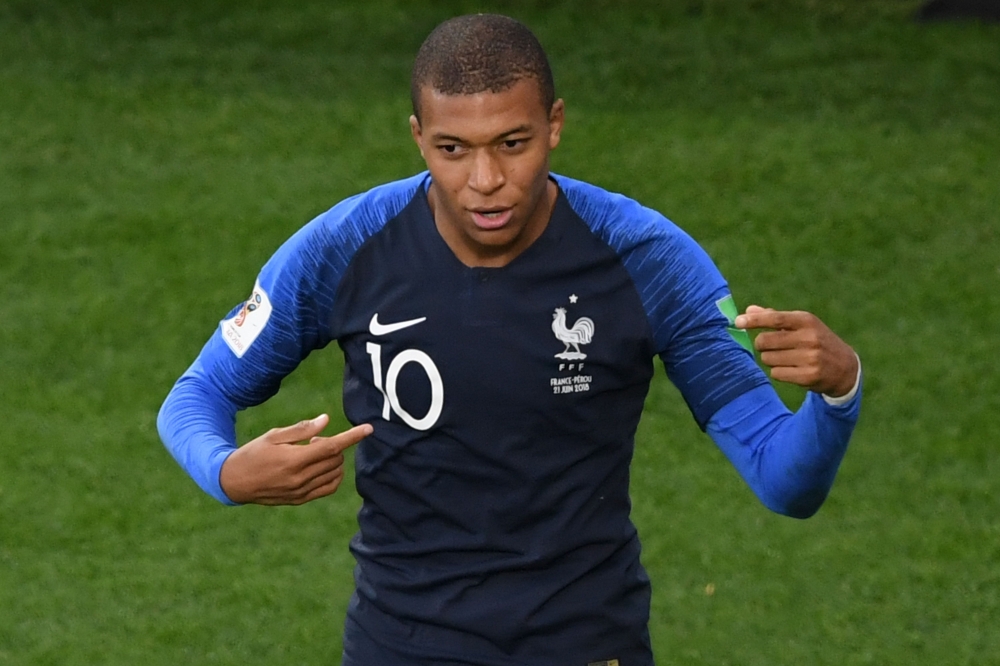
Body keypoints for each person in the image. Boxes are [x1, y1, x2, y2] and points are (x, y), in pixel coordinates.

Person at [158, 13, 862, 666]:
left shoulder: (646, 259)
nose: (485, 181)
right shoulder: (347, 247)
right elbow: (198, 394)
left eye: (512, 144)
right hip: (400, 647)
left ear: (554, 125)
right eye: (453, 150)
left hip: (587, 647)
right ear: (418, 137)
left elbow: (783, 480)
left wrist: (837, 393)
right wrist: (226, 472)